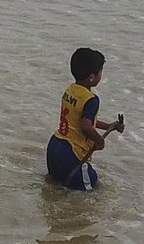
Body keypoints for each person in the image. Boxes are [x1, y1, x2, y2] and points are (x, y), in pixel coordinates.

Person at [46, 47, 125, 190]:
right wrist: (99, 141)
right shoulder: (92, 99)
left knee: (56, 187)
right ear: (92, 77)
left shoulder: (70, 90)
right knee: (97, 190)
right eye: (100, 72)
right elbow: (86, 126)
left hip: (55, 146)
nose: (101, 75)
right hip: (71, 153)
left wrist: (109, 126)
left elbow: (80, 120)